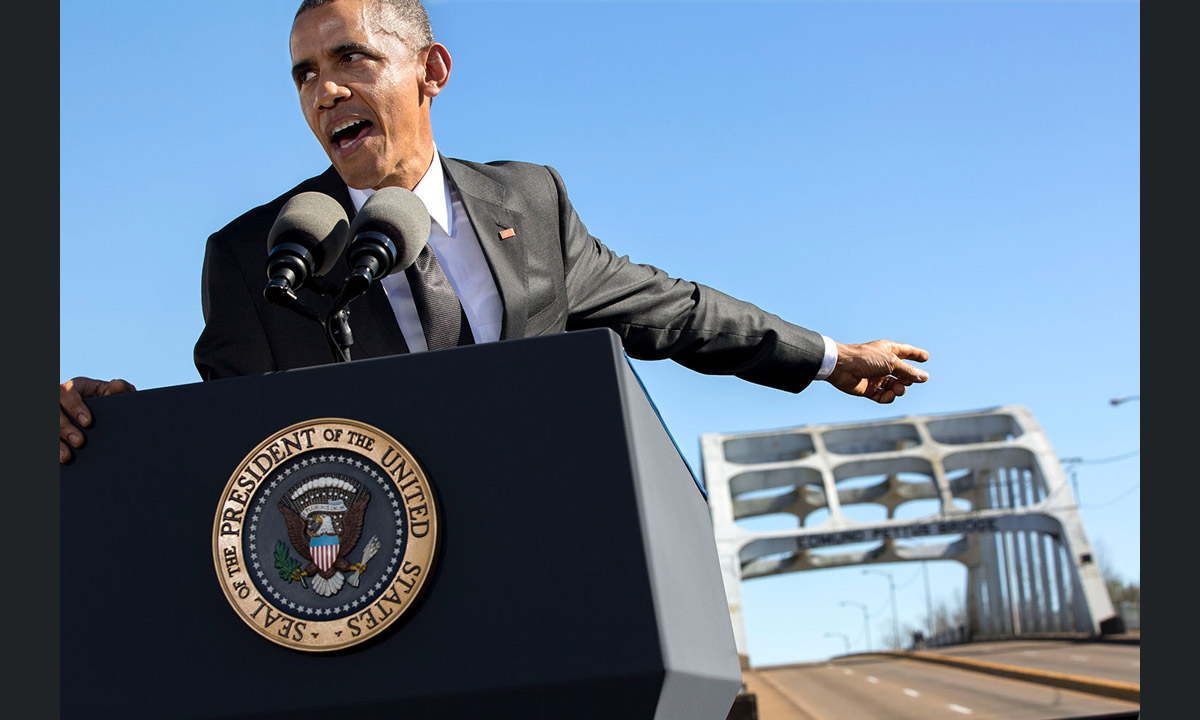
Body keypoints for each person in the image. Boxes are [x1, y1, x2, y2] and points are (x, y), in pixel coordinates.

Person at [60, 0, 929, 464]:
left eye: (350, 59)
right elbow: (228, 439)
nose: (324, 93)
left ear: (431, 71)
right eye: (305, 75)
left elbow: (675, 311)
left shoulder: (531, 204)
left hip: (540, 576)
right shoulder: (257, 252)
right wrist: (119, 430)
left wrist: (829, 357)